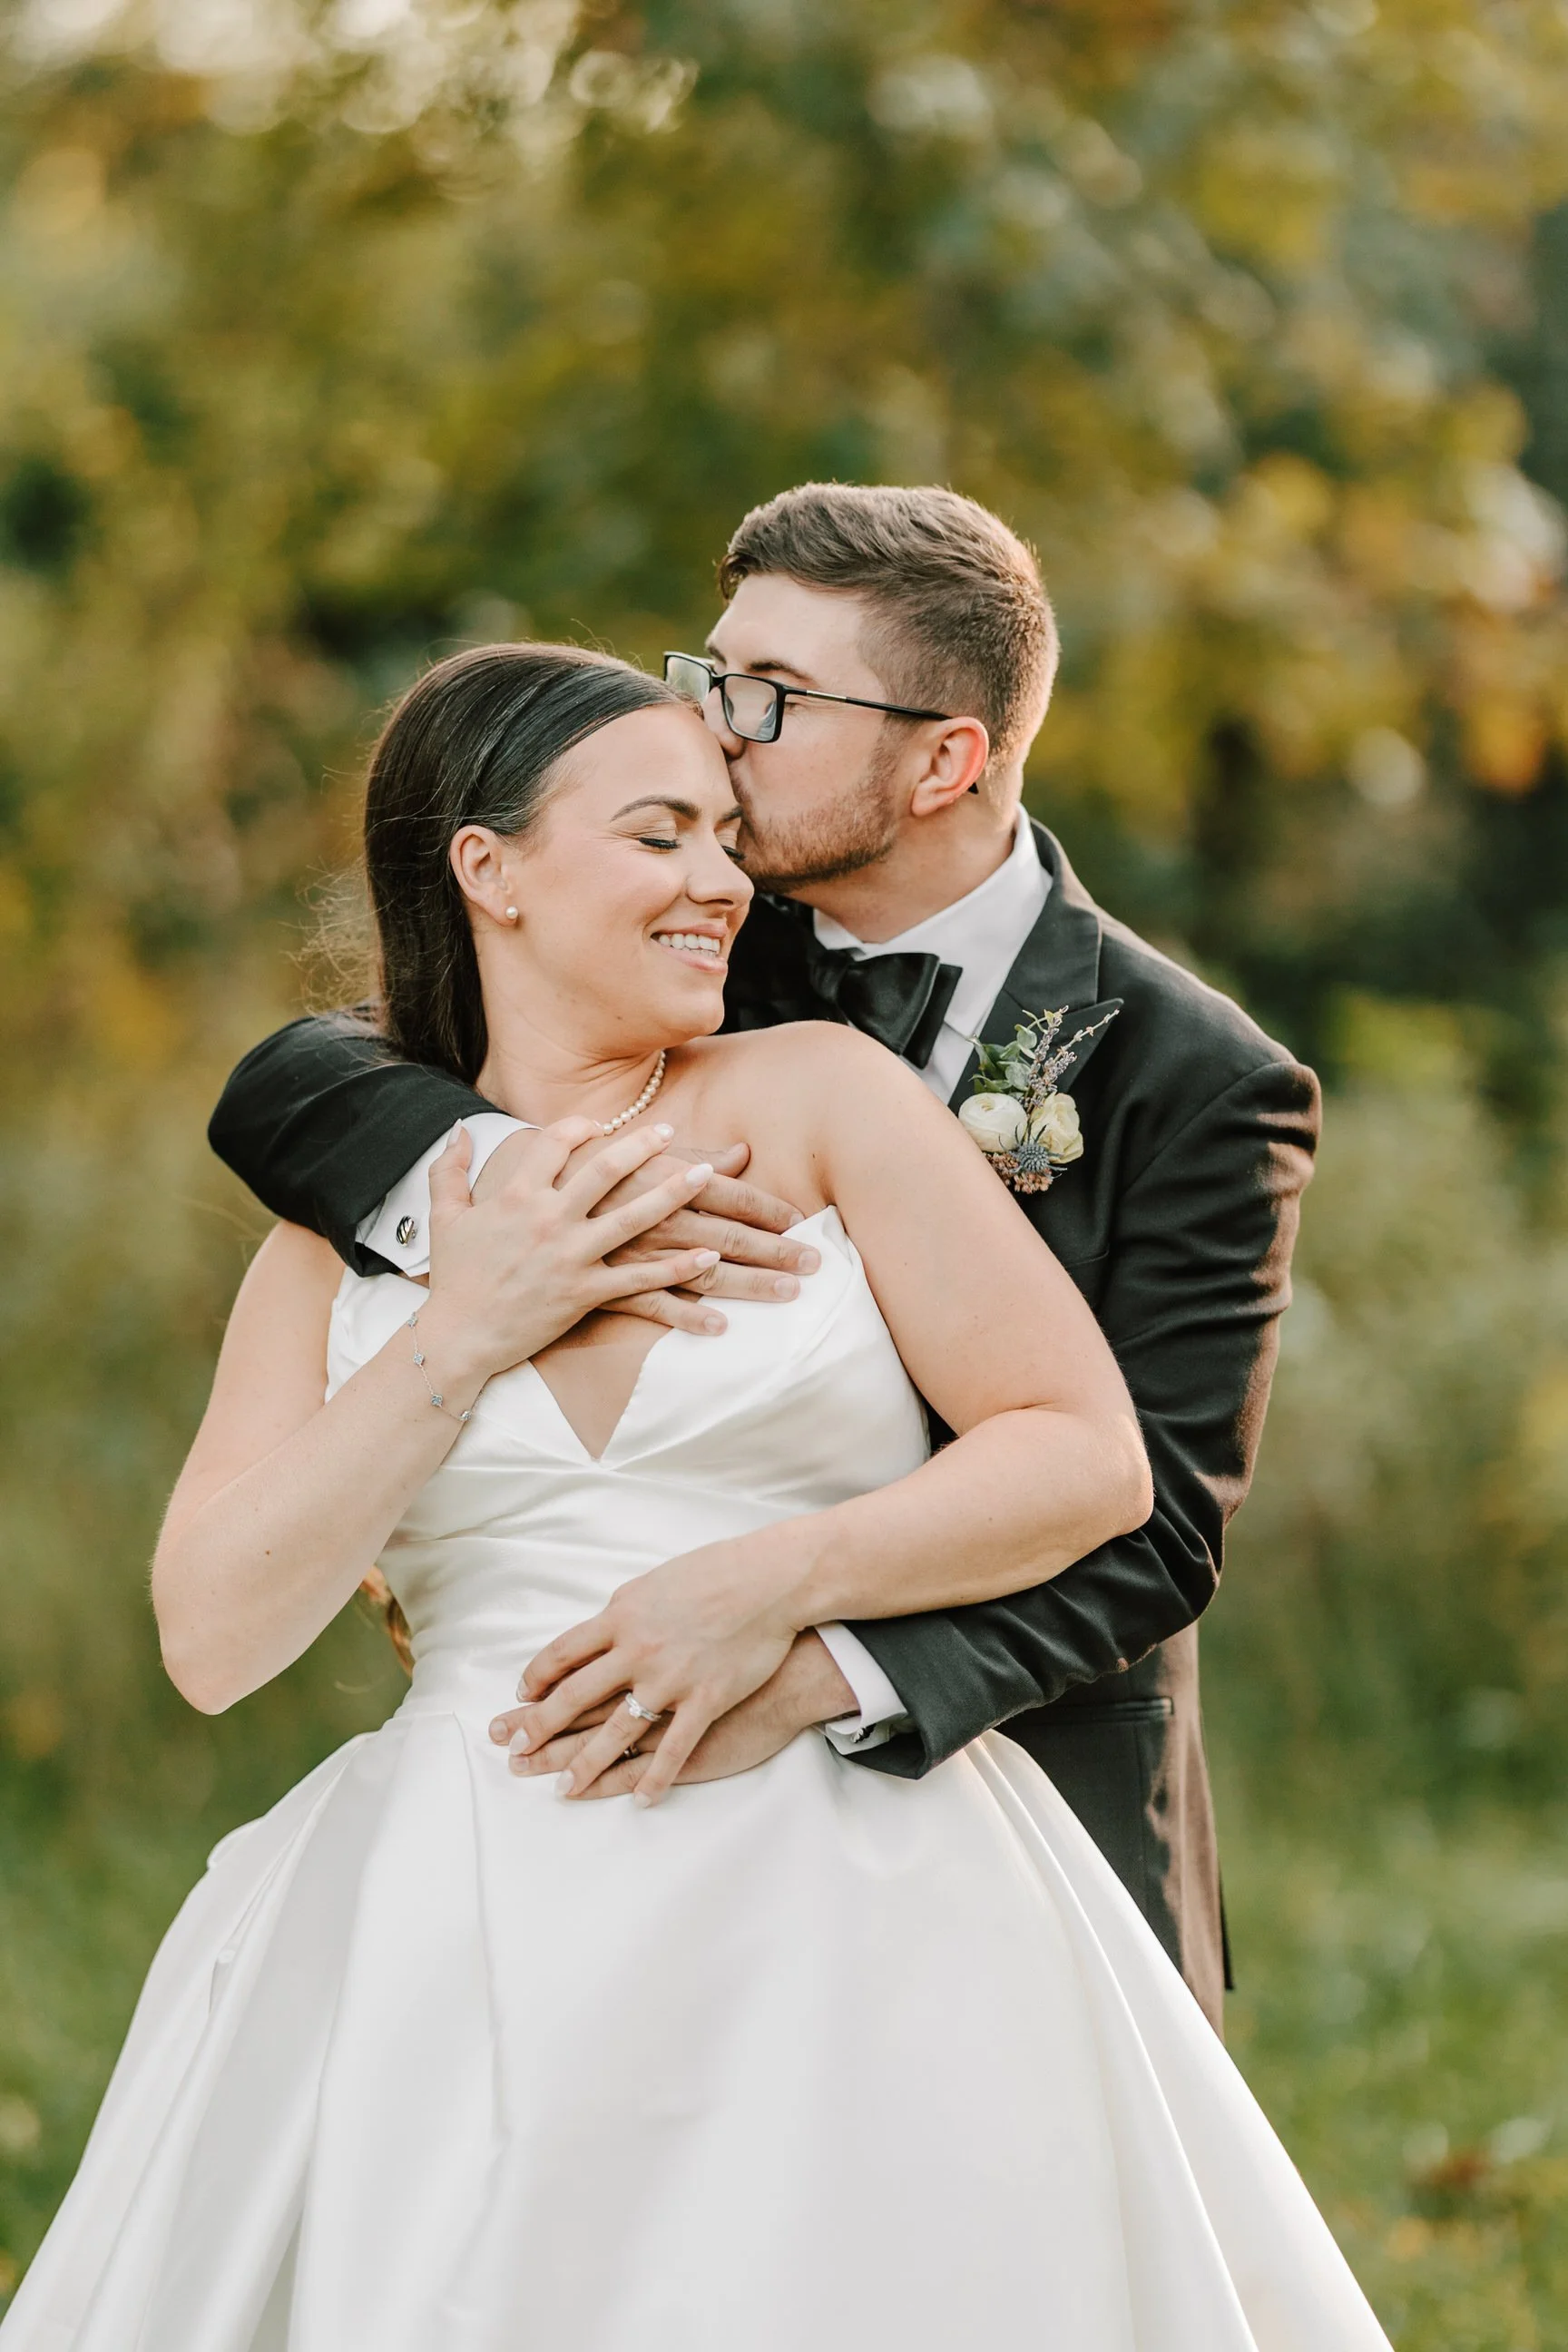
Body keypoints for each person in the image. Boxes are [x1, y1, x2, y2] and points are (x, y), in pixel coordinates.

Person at [4, 643, 1386, 2349]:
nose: (725, 882)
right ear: (486, 870)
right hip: (461, 1905)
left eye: (726, 835)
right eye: (662, 835)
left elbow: (1088, 1455)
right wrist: (476, 1320)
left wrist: (770, 1588)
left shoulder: (817, 1100)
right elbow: (214, 1639)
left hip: (852, 1879)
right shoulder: (336, 1242)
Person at [207, 485, 1320, 2026]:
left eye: (774, 701)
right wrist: (520, 1203)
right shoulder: (697, 935)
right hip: (560, 1806)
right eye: (710, 675)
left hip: (1003, 1774)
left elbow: (1161, 1524)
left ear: (947, 759)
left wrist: (801, 1667)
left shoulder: (1195, 1076)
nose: (714, 733)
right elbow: (301, 1077)